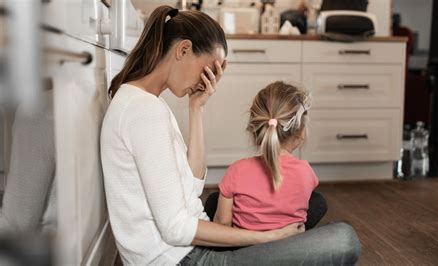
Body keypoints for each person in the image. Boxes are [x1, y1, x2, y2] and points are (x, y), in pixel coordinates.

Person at [100, 5, 360, 265]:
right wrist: (268, 237)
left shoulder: (149, 103)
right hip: (187, 258)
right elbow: (176, 228)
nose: (207, 81)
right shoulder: (144, 112)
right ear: (183, 50)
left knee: (306, 203)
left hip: (189, 244)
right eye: (208, 69)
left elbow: (192, 187)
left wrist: (197, 108)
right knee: (344, 239)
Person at [212, 81, 325, 231]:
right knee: (318, 202)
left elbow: (223, 224)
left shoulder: (237, 170)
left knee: (214, 201)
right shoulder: (306, 172)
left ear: (255, 130)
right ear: (300, 132)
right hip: (290, 247)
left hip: (243, 248)